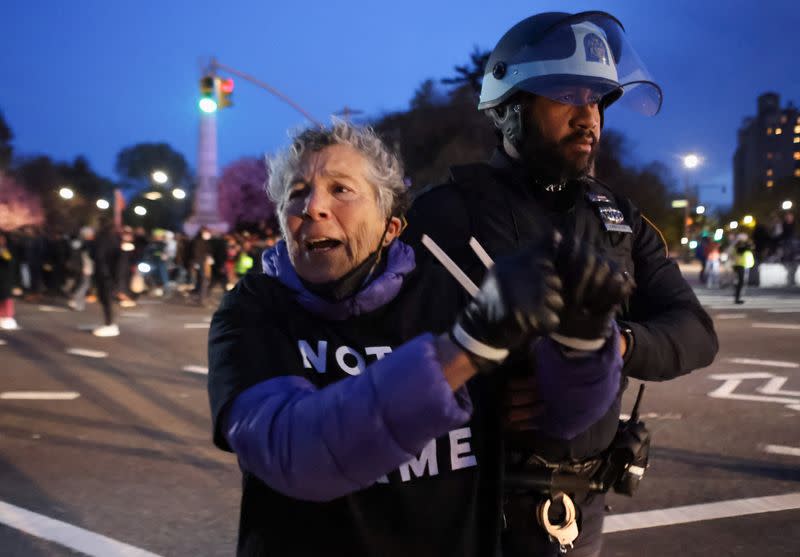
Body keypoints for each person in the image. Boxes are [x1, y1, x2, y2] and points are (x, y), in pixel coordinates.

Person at [207, 122, 631, 556]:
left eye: (341, 190)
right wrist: (466, 347)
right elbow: (295, 453)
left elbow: (562, 418)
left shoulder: (457, 288)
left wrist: (584, 340)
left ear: (391, 226)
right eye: (296, 193)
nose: (313, 207)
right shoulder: (250, 311)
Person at [403, 11, 718, 555]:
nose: (587, 117)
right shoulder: (442, 216)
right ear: (508, 111)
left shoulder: (617, 218)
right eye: (564, 96)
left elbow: (694, 332)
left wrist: (606, 347)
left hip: (582, 507)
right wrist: (475, 394)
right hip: (471, 501)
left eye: (596, 99)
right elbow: (381, 354)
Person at [92, 217, 121, 337]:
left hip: (104, 273)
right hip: (110, 273)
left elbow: (98, 255)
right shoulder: (114, 238)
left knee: (106, 299)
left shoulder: (102, 238)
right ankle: (109, 323)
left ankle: (109, 324)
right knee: (107, 299)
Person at [0, 231, 19, 330]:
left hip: (5, 278)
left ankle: (7, 316)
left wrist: (3, 253)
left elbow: (10, 261)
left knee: (6, 298)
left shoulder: (8, 249)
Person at [732, 233, 755, 304]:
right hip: (740, 265)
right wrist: (748, 245)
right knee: (741, 281)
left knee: (742, 282)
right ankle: (737, 297)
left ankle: (738, 295)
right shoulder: (738, 245)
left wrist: (749, 245)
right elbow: (740, 251)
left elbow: (751, 248)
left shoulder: (745, 245)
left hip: (745, 265)